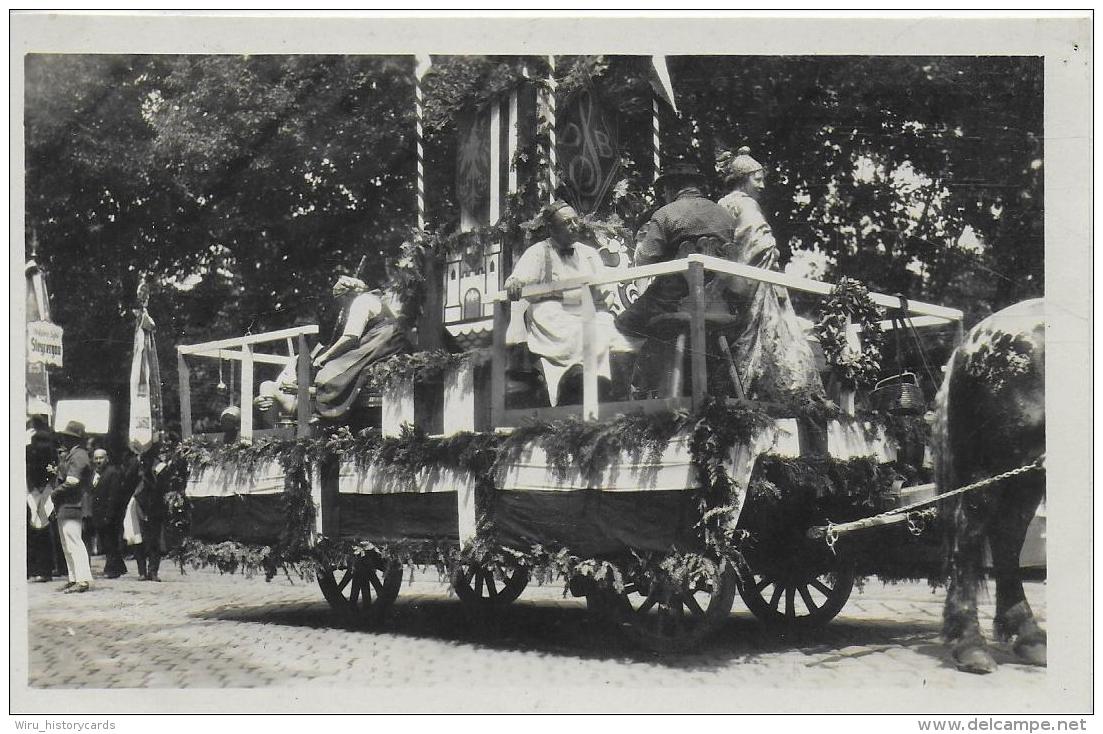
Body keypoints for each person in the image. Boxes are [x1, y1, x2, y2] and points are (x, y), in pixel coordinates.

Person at [717, 146, 822, 399]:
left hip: (728, 282)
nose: (762, 186)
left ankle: (740, 386)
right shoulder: (746, 203)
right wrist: (771, 255)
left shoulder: (721, 203)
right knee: (772, 331)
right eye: (758, 179)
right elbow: (760, 240)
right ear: (743, 179)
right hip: (754, 277)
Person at [504, 200, 621, 406]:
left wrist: (603, 300)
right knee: (563, 321)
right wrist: (514, 282)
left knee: (604, 322)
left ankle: (597, 384)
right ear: (552, 228)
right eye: (567, 223)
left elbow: (606, 287)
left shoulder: (588, 254)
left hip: (584, 308)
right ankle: (568, 379)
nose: (575, 227)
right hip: (552, 309)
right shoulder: (539, 252)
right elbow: (518, 278)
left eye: (576, 221)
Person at [313, 276, 412, 423]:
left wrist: (325, 356)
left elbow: (350, 337)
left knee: (331, 370)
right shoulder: (373, 298)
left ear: (346, 296)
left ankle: (328, 414)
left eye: (340, 301)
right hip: (394, 340)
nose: (341, 307)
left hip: (383, 339)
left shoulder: (360, 303)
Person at [50, 421, 94, 593]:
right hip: (67, 505)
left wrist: (55, 493)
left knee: (74, 542)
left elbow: (73, 481)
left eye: (67, 437)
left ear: (74, 439)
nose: (64, 439)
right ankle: (73, 577)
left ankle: (82, 580)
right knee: (67, 543)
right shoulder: (73, 455)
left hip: (73, 504)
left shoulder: (79, 455)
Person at [26, 414, 56, 582]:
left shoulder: (33, 444)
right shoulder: (48, 443)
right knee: (43, 529)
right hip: (43, 488)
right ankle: (46, 569)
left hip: (36, 490)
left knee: (37, 530)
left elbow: (33, 469)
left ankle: (40, 569)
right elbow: (51, 468)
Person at [90, 448, 128, 578]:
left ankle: (112, 569)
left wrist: (110, 514)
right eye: (96, 458)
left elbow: (114, 495)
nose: (98, 461)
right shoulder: (94, 474)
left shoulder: (112, 473)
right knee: (106, 542)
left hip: (109, 514)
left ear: (107, 459)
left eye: (101, 458)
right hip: (98, 513)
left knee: (110, 541)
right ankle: (119, 566)